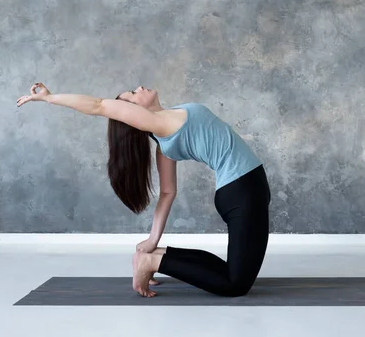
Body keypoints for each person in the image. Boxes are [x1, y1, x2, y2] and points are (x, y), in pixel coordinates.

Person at [17, 83, 271, 298]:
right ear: (133, 113)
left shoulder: (166, 137)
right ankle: (153, 262)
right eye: (132, 96)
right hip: (243, 190)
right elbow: (98, 106)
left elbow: (168, 193)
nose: (139, 88)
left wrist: (153, 240)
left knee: (231, 272)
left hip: (242, 190)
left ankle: (159, 256)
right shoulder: (160, 125)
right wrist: (50, 98)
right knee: (236, 285)